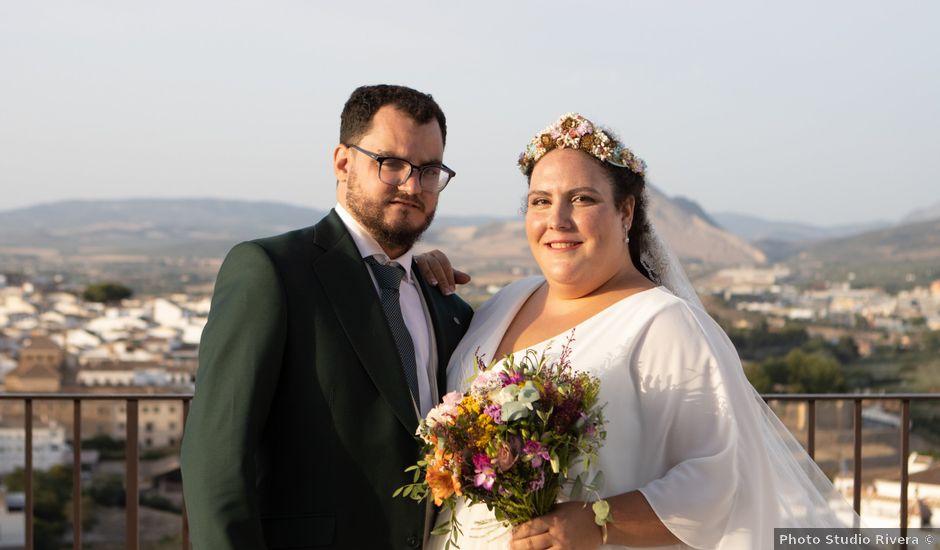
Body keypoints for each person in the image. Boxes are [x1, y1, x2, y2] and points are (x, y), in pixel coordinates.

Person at [421, 113, 857, 549]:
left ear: (625, 211)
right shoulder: (504, 303)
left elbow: (719, 481)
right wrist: (414, 273)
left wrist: (599, 522)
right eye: (540, 201)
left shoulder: (664, 326)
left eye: (582, 199)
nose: (557, 220)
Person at [181, 84, 474, 550]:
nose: (412, 185)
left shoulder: (448, 306)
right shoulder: (271, 271)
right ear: (343, 162)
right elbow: (216, 460)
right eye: (391, 163)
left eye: (430, 169)